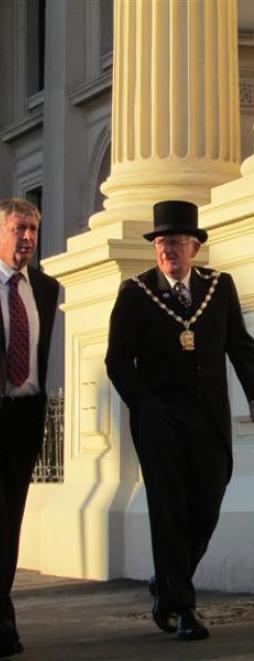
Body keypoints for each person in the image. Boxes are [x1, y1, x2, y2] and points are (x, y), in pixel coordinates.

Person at [105, 200, 254, 641]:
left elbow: (239, 343)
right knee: (169, 509)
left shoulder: (220, 287)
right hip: (159, 421)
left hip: (208, 417)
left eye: (176, 242)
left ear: (195, 247)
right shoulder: (135, 293)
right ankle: (182, 608)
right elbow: (118, 361)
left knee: (208, 501)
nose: (167, 251)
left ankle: (167, 582)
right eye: (161, 243)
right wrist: (144, 404)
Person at [0, 198, 60, 658]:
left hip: (24, 420)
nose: (28, 239)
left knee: (10, 524)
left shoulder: (45, 287)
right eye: (20, 228)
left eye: (33, 230)